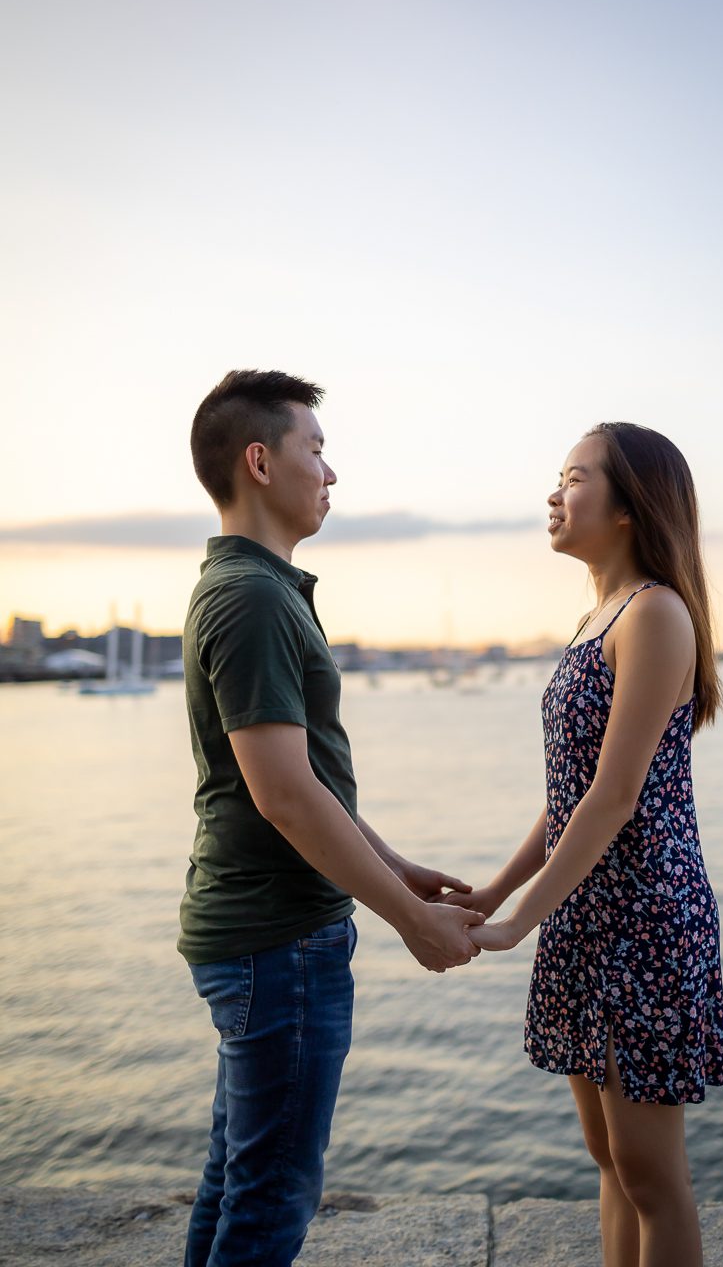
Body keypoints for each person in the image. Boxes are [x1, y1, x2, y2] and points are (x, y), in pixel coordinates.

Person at [178, 369, 484, 1267]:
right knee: (271, 1199)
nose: (331, 472)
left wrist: (394, 870)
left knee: (237, 1180)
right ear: (261, 461)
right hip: (280, 943)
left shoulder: (249, 587)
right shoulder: (253, 597)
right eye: (317, 448)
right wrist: (412, 920)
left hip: (259, 936)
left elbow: (304, 778)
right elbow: (282, 793)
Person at [448, 423, 723, 1267]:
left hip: (644, 918)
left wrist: (516, 923)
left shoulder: (657, 614)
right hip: (586, 912)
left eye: (572, 477)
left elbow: (613, 798)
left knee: (649, 1172)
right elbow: (568, 796)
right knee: (608, 1157)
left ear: (629, 506)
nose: (553, 493)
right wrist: (492, 897)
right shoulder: (591, 618)